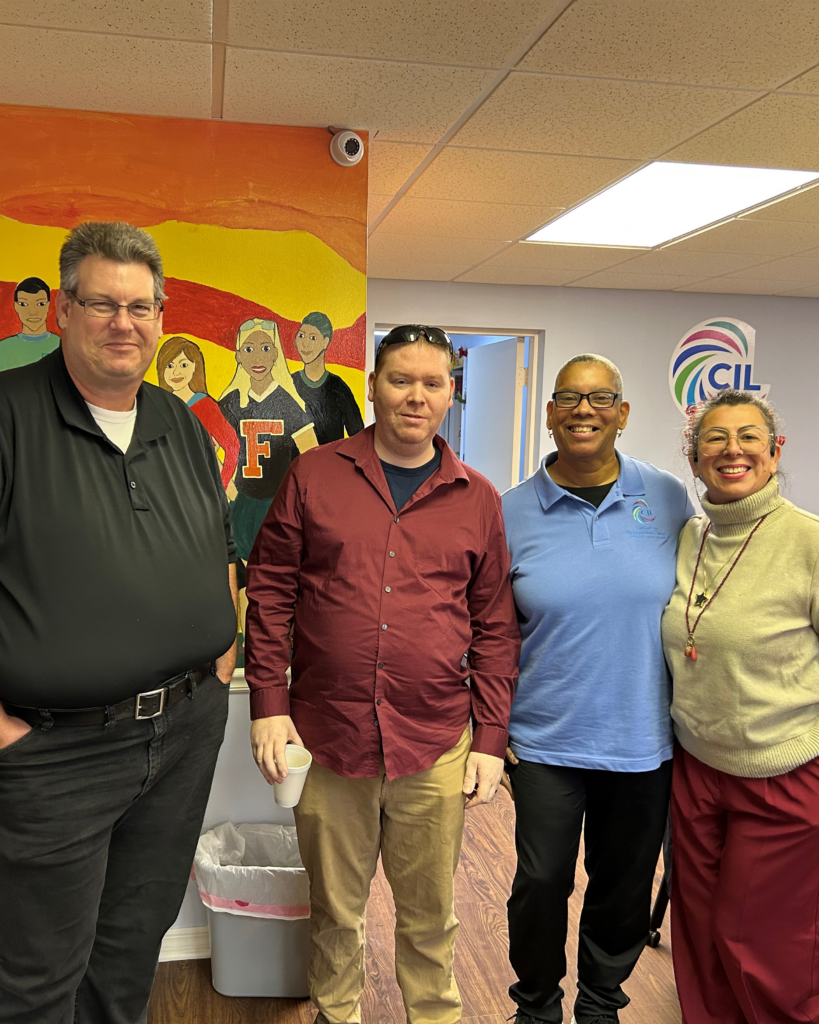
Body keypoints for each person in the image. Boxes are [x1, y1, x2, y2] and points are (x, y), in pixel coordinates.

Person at [245, 324, 520, 1024]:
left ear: (450, 393)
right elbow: (272, 585)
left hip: (433, 740)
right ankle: (338, 1015)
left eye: (432, 383)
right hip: (326, 738)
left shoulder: (477, 497)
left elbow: (493, 624)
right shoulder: (315, 474)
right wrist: (267, 703)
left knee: (431, 917)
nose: (415, 396)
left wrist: (490, 739)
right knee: (335, 914)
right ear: (372, 385)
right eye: (401, 379)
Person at [0, 222, 238, 1024]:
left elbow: (218, 549)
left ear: (162, 315)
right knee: (35, 980)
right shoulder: (8, 415)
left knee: (132, 949)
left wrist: (222, 660)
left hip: (182, 735)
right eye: (101, 302)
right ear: (62, 309)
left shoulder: (179, 425)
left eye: (141, 305)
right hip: (51, 752)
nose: (122, 322)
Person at [501, 354, 695, 1024]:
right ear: (550, 414)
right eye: (569, 399)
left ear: (622, 413)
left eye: (600, 397)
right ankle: (535, 1003)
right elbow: (488, 632)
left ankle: (600, 1001)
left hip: (642, 737)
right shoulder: (509, 512)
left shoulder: (667, 497)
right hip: (542, 739)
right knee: (541, 880)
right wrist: (489, 731)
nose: (584, 410)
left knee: (622, 885)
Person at [662, 389, 819, 1023]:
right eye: (716, 439)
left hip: (781, 773)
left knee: (753, 938)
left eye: (749, 436)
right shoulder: (690, 538)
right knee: (697, 933)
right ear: (693, 458)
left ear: (776, 451)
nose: (733, 450)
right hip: (697, 766)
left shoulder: (807, 541)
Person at [219, 317, 319, 561]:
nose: (258, 358)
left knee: (274, 574)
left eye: (265, 349)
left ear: (275, 354)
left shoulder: (289, 404)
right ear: (239, 357)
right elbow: (204, 447)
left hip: (278, 506)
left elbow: (315, 458)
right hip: (241, 504)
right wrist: (228, 486)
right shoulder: (231, 403)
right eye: (249, 350)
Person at [156, 334, 240, 491]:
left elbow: (232, 445)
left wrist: (220, 486)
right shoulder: (159, 407)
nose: (175, 373)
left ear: (195, 367)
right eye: (169, 365)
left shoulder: (205, 405)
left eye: (183, 365)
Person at [292, 311, 364, 444]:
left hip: (331, 463)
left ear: (325, 342)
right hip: (295, 464)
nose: (305, 344)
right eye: (301, 335)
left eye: (313, 338)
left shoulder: (339, 388)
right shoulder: (290, 384)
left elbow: (359, 438)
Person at [0, 275, 61, 370]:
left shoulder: (61, 346)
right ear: (16, 306)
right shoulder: (3, 349)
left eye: (41, 304)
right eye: (24, 304)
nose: (33, 312)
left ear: (48, 305)